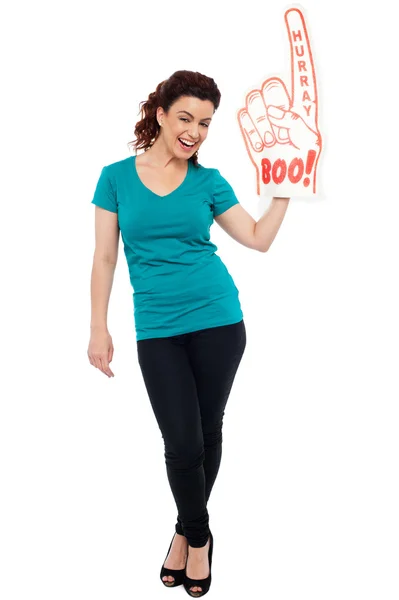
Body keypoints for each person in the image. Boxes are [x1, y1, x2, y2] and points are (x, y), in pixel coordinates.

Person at [87, 69, 290, 597]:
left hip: (219, 320)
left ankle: (187, 537)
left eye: (205, 122)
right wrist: (97, 327)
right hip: (156, 327)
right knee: (181, 442)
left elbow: (256, 238)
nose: (195, 131)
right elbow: (105, 257)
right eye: (186, 118)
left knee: (207, 430)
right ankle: (198, 534)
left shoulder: (209, 181)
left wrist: (286, 189)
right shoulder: (114, 177)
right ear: (160, 114)